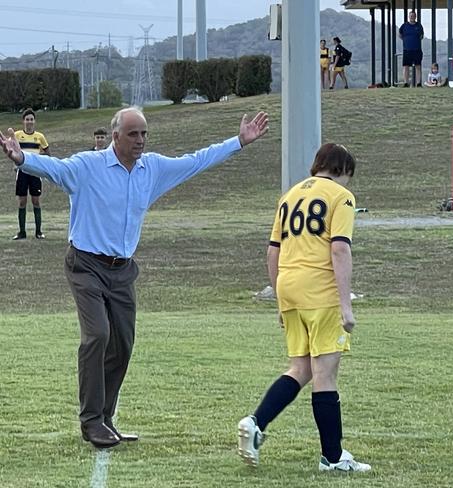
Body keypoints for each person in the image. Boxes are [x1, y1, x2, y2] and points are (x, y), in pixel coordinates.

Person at [0, 107, 269, 449]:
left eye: (144, 134)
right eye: (133, 134)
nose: (140, 140)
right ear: (115, 136)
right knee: (97, 334)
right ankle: (91, 421)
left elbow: (196, 161)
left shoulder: (151, 168)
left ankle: (105, 417)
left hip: (122, 271)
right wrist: (22, 157)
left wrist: (239, 142)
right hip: (85, 265)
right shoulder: (89, 166)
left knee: (123, 343)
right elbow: (55, 168)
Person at [237, 143, 370, 473]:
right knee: (325, 373)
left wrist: (281, 303)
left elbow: (272, 252)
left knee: (301, 368)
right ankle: (333, 458)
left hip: (289, 287)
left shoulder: (290, 196)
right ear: (342, 170)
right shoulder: (340, 196)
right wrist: (345, 304)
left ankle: (256, 423)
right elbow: (339, 250)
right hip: (319, 289)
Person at [12, 108, 50, 240]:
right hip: (22, 172)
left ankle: (38, 232)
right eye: (27, 119)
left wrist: (38, 161)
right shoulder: (17, 135)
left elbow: (47, 153)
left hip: (35, 173)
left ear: (34, 121)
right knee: (22, 202)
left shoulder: (40, 137)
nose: (29, 121)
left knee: (36, 201)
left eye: (31, 119)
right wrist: (15, 163)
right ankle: (22, 232)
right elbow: (12, 151)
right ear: (23, 121)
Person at [399, 10, 425, 87]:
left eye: (413, 16)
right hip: (407, 50)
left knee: (418, 66)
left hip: (417, 49)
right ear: (409, 17)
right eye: (411, 16)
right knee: (406, 66)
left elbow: (421, 36)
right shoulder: (404, 25)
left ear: (415, 17)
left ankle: (418, 83)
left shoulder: (419, 26)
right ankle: (406, 83)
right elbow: (400, 34)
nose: (412, 17)